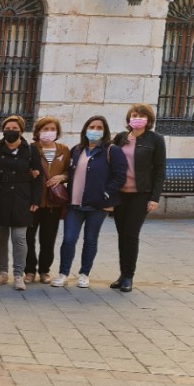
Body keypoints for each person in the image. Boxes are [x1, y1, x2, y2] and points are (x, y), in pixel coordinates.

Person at [53, 116, 127, 289]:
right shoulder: (77, 150)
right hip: (75, 203)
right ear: (86, 129)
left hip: (97, 205)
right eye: (91, 126)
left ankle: (84, 274)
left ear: (105, 131)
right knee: (69, 239)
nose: (95, 130)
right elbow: (69, 172)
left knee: (90, 239)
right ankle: (63, 273)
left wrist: (105, 193)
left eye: (99, 127)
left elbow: (120, 176)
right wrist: (63, 177)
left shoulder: (112, 150)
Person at [111, 104, 167, 292]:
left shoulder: (155, 139)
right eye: (134, 115)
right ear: (129, 118)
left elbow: (160, 170)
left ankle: (128, 276)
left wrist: (155, 197)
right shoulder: (121, 138)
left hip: (141, 194)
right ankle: (121, 273)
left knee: (131, 234)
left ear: (148, 120)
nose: (138, 118)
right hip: (120, 194)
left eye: (142, 116)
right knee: (121, 235)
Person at [0, 115, 41, 291]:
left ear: (21, 130)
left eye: (14, 128)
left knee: (19, 238)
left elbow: (38, 176)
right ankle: (2, 272)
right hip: (1, 197)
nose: (11, 131)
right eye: (8, 128)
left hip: (22, 197)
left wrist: (36, 199)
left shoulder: (31, 150)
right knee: (1, 238)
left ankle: (19, 274)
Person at [25, 116, 71, 284]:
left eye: (52, 129)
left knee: (48, 238)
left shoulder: (64, 150)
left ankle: (44, 270)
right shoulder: (31, 149)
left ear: (57, 132)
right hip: (33, 202)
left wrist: (62, 176)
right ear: (37, 132)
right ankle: (29, 270)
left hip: (53, 202)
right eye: (45, 129)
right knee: (28, 237)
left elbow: (69, 170)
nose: (48, 132)